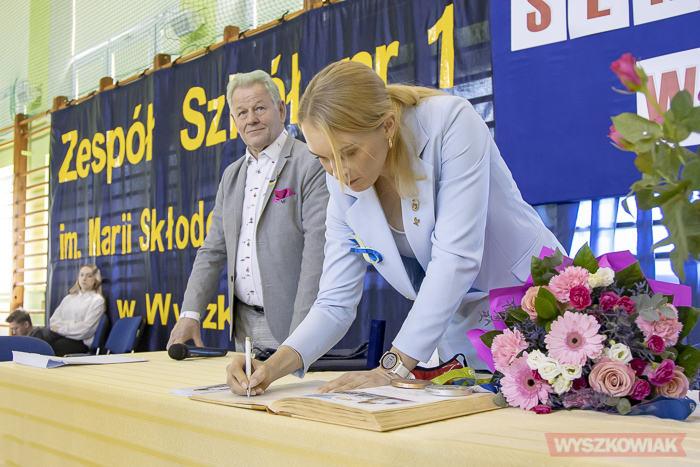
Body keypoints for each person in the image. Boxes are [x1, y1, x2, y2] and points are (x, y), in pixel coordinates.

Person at [225, 60, 565, 395]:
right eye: (322, 158)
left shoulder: (451, 122)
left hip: (536, 302)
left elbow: (456, 258)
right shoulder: (339, 180)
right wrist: (270, 366)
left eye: (349, 153)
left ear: (387, 126)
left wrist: (391, 367)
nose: (338, 173)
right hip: (457, 326)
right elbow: (334, 302)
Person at [167, 70, 328, 352]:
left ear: (281, 110)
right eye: (242, 112)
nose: (251, 119)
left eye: (259, 108)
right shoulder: (231, 176)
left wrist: (302, 331)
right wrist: (190, 313)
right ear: (234, 121)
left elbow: (317, 252)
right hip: (243, 326)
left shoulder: (311, 162)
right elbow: (212, 250)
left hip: (295, 326)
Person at [31, 264, 106, 356]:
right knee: (39, 333)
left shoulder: (97, 300)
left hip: (79, 342)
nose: (84, 279)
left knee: (50, 347)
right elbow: (53, 321)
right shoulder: (69, 298)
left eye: (89, 276)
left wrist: (61, 329)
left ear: (95, 279)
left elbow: (85, 329)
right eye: (81, 275)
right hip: (59, 335)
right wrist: (73, 324)